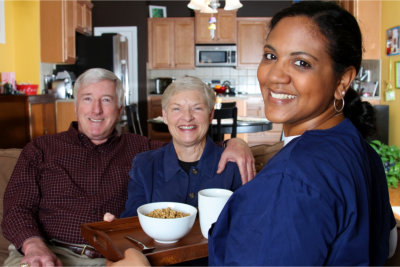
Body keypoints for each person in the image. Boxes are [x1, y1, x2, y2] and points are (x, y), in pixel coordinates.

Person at [107, 1, 396, 266]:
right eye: (271, 55)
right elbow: (389, 245)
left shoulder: (293, 178)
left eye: (301, 63)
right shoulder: (359, 150)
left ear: (343, 79)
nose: (274, 76)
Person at [1, 68, 255, 267]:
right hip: (47, 250)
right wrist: (34, 245)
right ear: (75, 104)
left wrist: (235, 144)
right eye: (88, 99)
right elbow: (16, 208)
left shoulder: (139, 148)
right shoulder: (41, 148)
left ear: (120, 108)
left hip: (106, 256)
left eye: (107, 100)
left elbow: (188, 141)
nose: (96, 110)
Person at [119, 76, 242, 218]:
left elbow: (246, 222)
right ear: (165, 116)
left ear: (210, 115)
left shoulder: (234, 166)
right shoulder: (144, 166)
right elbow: (131, 223)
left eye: (197, 108)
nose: (187, 117)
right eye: (177, 109)